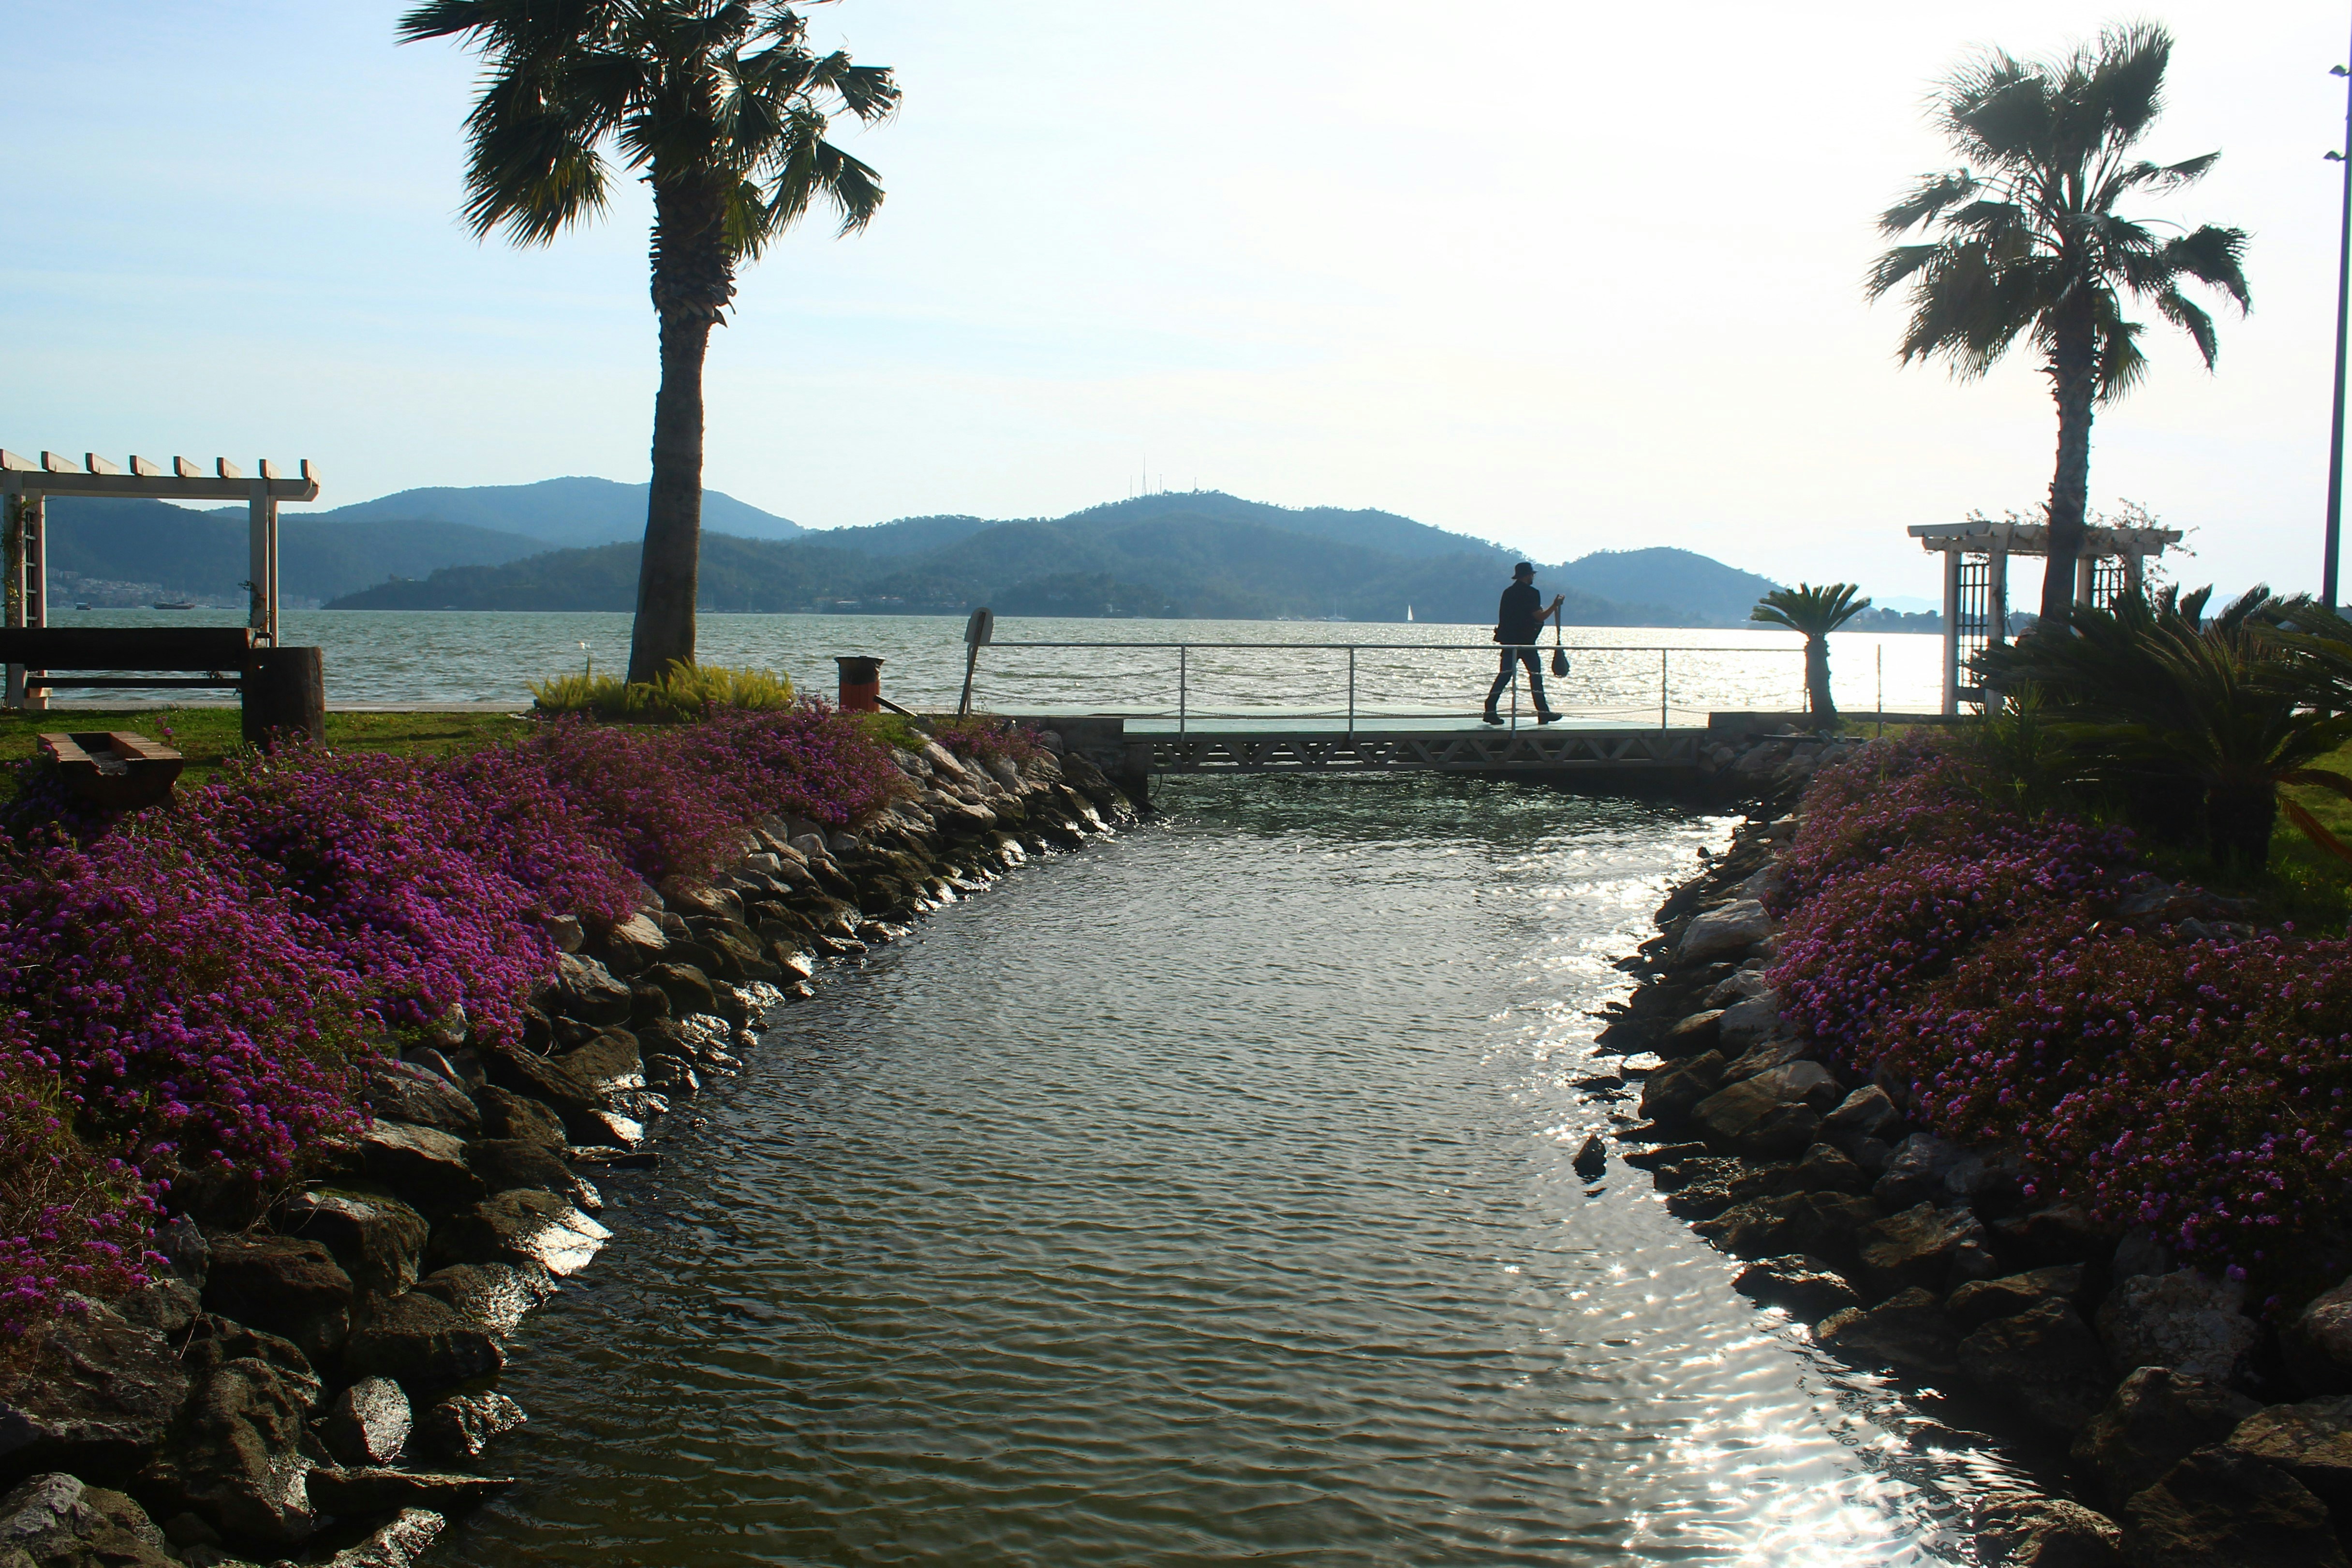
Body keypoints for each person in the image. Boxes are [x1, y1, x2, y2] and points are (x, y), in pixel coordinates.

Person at [1485, 562, 1564, 725]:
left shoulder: (1508, 592)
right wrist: (1555, 606)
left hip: (1509, 641)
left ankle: (1490, 709)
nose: (1533, 577)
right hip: (1526, 643)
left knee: (1505, 675)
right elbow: (1540, 617)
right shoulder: (1532, 593)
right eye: (1532, 575)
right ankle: (1543, 713)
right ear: (1528, 575)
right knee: (1535, 677)